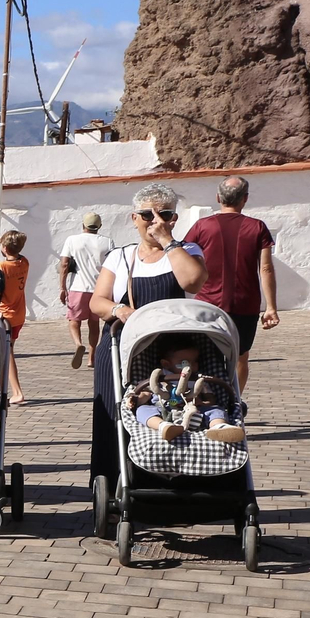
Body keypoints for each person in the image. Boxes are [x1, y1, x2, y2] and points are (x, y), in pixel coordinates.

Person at [87, 183, 205, 484]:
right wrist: (120, 310)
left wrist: (167, 241)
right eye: (146, 215)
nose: (155, 220)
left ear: (174, 218)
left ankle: (168, 486)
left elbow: (192, 282)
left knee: (170, 411)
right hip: (120, 345)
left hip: (169, 352)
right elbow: (97, 301)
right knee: (113, 414)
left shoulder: (187, 251)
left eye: (164, 214)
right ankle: (113, 487)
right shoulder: (120, 257)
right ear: (134, 218)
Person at [188, 176, 280, 390]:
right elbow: (265, 268)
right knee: (240, 356)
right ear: (245, 199)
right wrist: (271, 308)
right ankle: (234, 401)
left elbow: (185, 259)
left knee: (205, 354)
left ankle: (209, 400)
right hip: (244, 304)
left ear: (218, 197)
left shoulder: (202, 226)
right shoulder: (257, 227)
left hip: (207, 303)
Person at [128, 337, 245, 443]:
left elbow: (211, 399)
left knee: (216, 410)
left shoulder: (198, 379)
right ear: (166, 364)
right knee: (142, 410)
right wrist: (136, 400)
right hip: (164, 411)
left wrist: (203, 403)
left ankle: (219, 427)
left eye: (195, 361)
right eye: (184, 362)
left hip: (195, 412)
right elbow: (146, 393)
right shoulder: (158, 377)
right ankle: (163, 426)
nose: (192, 366)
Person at [59, 212, 114, 370]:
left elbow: (64, 264)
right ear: (99, 226)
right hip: (99, 288)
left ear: (83, 225)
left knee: (74, 320)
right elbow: (112, 265)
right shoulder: (107, 242)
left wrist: (62, 287)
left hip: (78, 287)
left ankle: (78, 343)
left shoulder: (72, 240)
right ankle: (92, 357)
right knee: (94, 322)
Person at [0, 230, 30, 404]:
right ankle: (4, 389)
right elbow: (17, 254)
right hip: (19, 313)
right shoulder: (24, 262)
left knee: (7, 353)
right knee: (7, 351)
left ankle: (16, 391)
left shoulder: (2, 267)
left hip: (6, 314)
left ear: (5, 248)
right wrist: (3, 244)